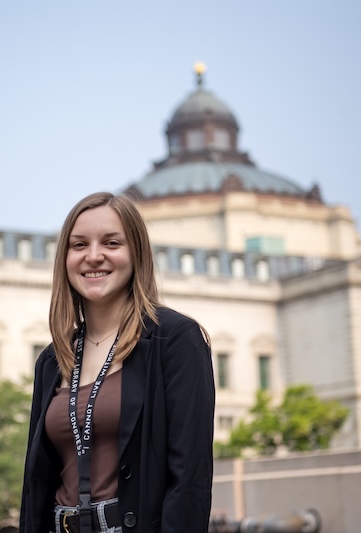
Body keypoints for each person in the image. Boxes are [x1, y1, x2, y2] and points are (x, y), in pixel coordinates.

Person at [20, 192, 215, 533]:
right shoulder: (52, 359)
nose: (93, 256)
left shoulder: (175, 340)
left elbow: (189, 480)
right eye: (79, 245)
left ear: (136, 253)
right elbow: (35, 485)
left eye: (111, 243)